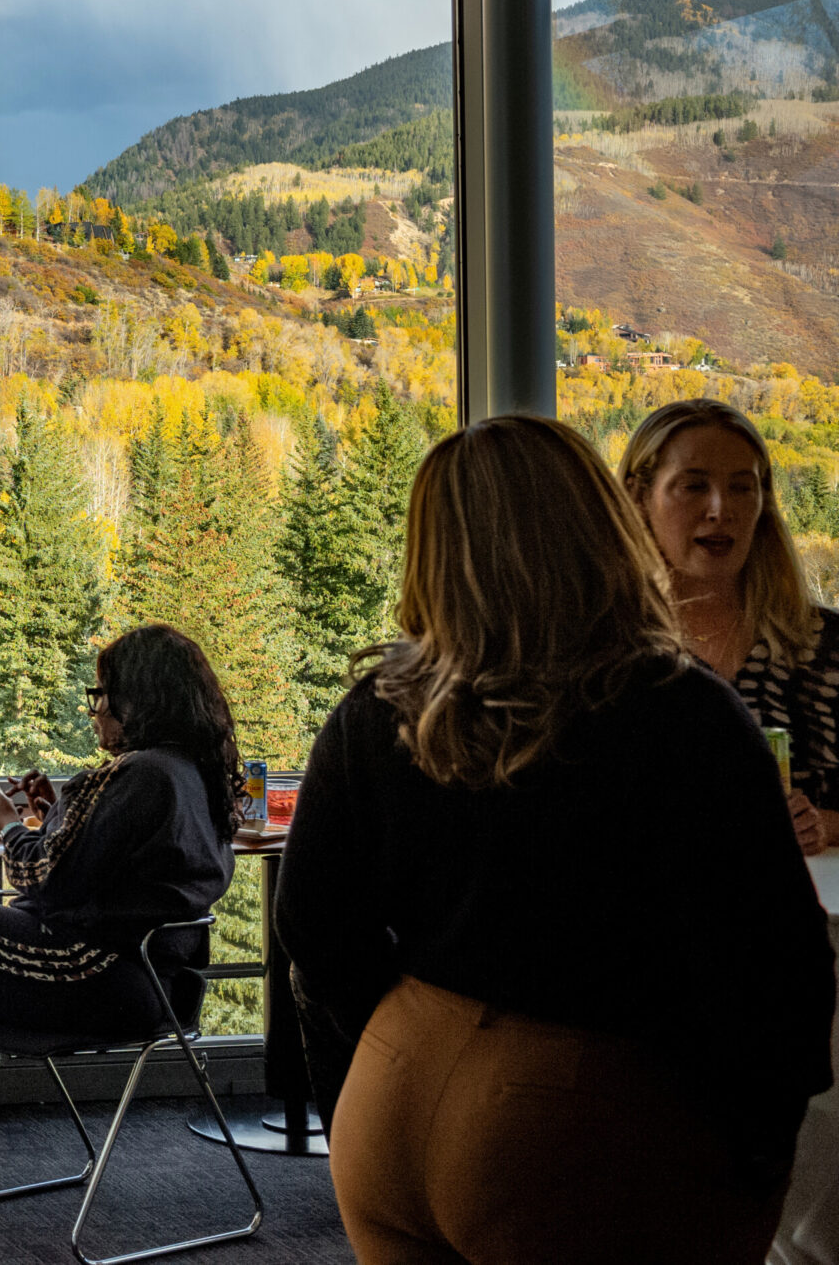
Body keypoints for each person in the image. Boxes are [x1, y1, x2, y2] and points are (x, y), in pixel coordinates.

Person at [278, 413, 834, 1265]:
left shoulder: (379, 704)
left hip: (390, 1102)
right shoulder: (678, 711)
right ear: (600, 523)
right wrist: (755, 1154)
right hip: (572, 1117)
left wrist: (399, 1042)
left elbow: (311, 921)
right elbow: (776, 964)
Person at [0, 624, 239, 1042]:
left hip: (92, 972)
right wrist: (56, 816)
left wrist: (8, 823)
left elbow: (43, 878)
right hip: (157, 982)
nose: (94, 709)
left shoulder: (138, 775)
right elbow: (113, 870)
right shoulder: (195, 773)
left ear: (134, 699)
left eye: (100, 694)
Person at [623, 398, 839, 854]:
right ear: (638, 497)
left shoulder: (826, 646)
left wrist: (826, 825)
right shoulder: (601, 655)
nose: (720, 510)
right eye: (694, 486)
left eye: (742, 488)